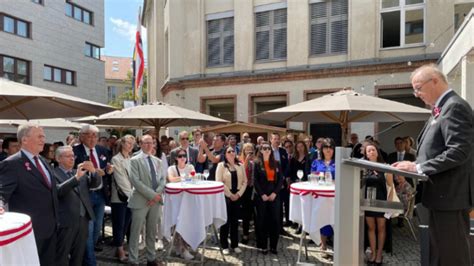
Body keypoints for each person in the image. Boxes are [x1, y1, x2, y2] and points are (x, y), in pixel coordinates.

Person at [393, 64, 473, 265]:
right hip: (439, 196)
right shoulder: (439, 109)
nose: (416, 93)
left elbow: (459, 151)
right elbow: (435, 149)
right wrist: (414, 163)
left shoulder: (454, 106)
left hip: (450, 197)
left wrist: (418, 168)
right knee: (439, 254)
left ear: (435, 81)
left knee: (452, 255)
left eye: (418, 87)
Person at [0, 124, 58, 265]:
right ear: (24, 140)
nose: (43, 139)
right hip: (31, 232)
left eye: (43, 136)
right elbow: (2, 192)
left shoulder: (43, 161)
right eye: (39, 136)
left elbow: (51, 190)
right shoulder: (11, 164)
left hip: (51, 228)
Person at [73, 125, 113, 266]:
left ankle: (86, 258)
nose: (92, 138)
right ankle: (91, 262)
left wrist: (108, 170)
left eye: (95, 135)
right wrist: (92, 171)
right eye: (89, 135)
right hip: (85, 196)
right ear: (82, 136)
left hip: (100, 194)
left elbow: (106, 168)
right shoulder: (74, 151)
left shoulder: (103, 150)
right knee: (87, 233)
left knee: (96, 230)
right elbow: (72, 172)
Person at [54, 146, 101, 266]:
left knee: (79, 255)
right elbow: (58, 192)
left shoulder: (78, 172)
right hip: (66, 221)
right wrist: (76, 178)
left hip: (83, 220)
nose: (72, 158)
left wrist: (94, 171)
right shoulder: (53, 173)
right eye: (68, 156)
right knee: (62, 255)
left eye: (73, 156)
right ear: (58, 159)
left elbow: (95, 184)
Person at [127, 135, 166, 266]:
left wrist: (156, 196)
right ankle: (133, 259)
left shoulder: (157, 161)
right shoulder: (134, 160)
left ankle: (151, 258)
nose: (149, 145)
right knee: (136, 231)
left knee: (152, 231)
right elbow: (135, 182)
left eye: (151, 143)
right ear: (140, 144)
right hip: (140, 200)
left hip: (155, 202)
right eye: (146, 143)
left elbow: (162, 180)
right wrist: (153, 196)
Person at [363, 142, 394, 265]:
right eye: (368, 151)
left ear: (377, 152)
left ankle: (379, 253)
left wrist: (389, 207)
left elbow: (391, 187)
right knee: (371, 228)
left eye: (373, 150)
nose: (371, 152)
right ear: (366, 154)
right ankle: (373, 253)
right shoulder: (364, 167)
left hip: (382, 202)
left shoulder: (386, 167)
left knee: (381, 228)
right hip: (368, 202)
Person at [253, 141, 283, 255]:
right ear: (260, 150)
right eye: (264, 148)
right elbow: (254, 180)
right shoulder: (256, 163)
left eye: (268, 149)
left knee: (275, 221)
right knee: (262, 221)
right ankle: (263, 245)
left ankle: (273, 246)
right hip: (262, 197)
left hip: (274, 195)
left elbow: (280, 180)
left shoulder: (276, 163)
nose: (266, 150)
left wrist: (275, 193)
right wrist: (262, 195)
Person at [216, 146, 247, 254]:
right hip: (226, 196)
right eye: (229, 151)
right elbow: (219, 182)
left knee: (235, 222)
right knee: (226, 222)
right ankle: (224, 245)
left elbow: (245, 182)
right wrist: (230, 195)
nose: (232, 153)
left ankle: (235, 244)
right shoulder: (221, 166)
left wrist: (238, 194)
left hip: (237, 196)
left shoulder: (241, 165)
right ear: (225, 154)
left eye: (233, 151)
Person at [166, 148, 195, 260]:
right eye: (180, 156)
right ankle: (182, 248)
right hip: (175, 200)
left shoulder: (190, 167)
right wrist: (185, 177)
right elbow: (171, 179)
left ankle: (183, 247)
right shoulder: (172, 168)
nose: (183, 158)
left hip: (188, 199)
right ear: (175, 158)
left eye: (184, 156)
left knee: (187, 223)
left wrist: (181, 178)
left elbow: (193, 177)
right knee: (177, 224)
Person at [110, 135, 135, 262]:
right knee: (119, 224)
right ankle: (119, 250)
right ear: (123, 144)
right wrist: (132, 196)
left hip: (131, 197)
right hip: (120, 198)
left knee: (126, 223)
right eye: (129, 143)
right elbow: (121, 180)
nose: (131, 145)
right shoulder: (116, 159)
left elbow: (134, 178)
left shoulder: (130, 158)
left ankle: (118, 247)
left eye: (133, 143)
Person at [310, 138, 336, 251]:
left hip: (335, 197)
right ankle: (323, 245)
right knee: (322, 219)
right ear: (322, 149)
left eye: (331, 147)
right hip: (320, 197)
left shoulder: (338, 162)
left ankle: (337, 244)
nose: (328, 150)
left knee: (334, 220)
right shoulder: (316, 162)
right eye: (326, 147)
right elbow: (312, 179)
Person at [239, 143, 256, 244]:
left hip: (254, 188)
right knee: (246, 213)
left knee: (254, 213)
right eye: (247, 150)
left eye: (251, 149)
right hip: (245, 189)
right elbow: (241, 172)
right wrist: (246, 160)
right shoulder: (240, 160)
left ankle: (257, 234)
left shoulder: (256, 160)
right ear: (243, 151)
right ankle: (245, 234)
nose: (249, 151)